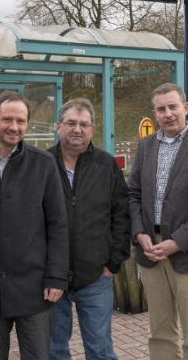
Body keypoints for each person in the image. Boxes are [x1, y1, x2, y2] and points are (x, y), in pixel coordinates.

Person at [0, 90, 69, 360]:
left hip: (34, 288)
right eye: (7, 119)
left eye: (21, 121)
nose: (14, 127)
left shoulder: (43, 164)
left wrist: (56, 276)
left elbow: (57, 224)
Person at [129, 83, 188, 360]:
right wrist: (139, 233)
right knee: (159, 332)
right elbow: (133, 193)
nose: (168, 113)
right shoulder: (146, 146)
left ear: (186, 108)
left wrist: (177, 242)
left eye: (173, 107)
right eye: (161, 109)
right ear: (155, 113)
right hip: (150, 250)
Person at [47, 98, 130, 360]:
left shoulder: (106, 165)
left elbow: (122, 214)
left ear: (92, 129)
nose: (77, 129)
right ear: (58, 126)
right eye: (71, 123)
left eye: (84, 124)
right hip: (51, 276)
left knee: (100, 349)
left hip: (96, 275)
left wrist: (113, 263)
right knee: (54, 349)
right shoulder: (41, 163)